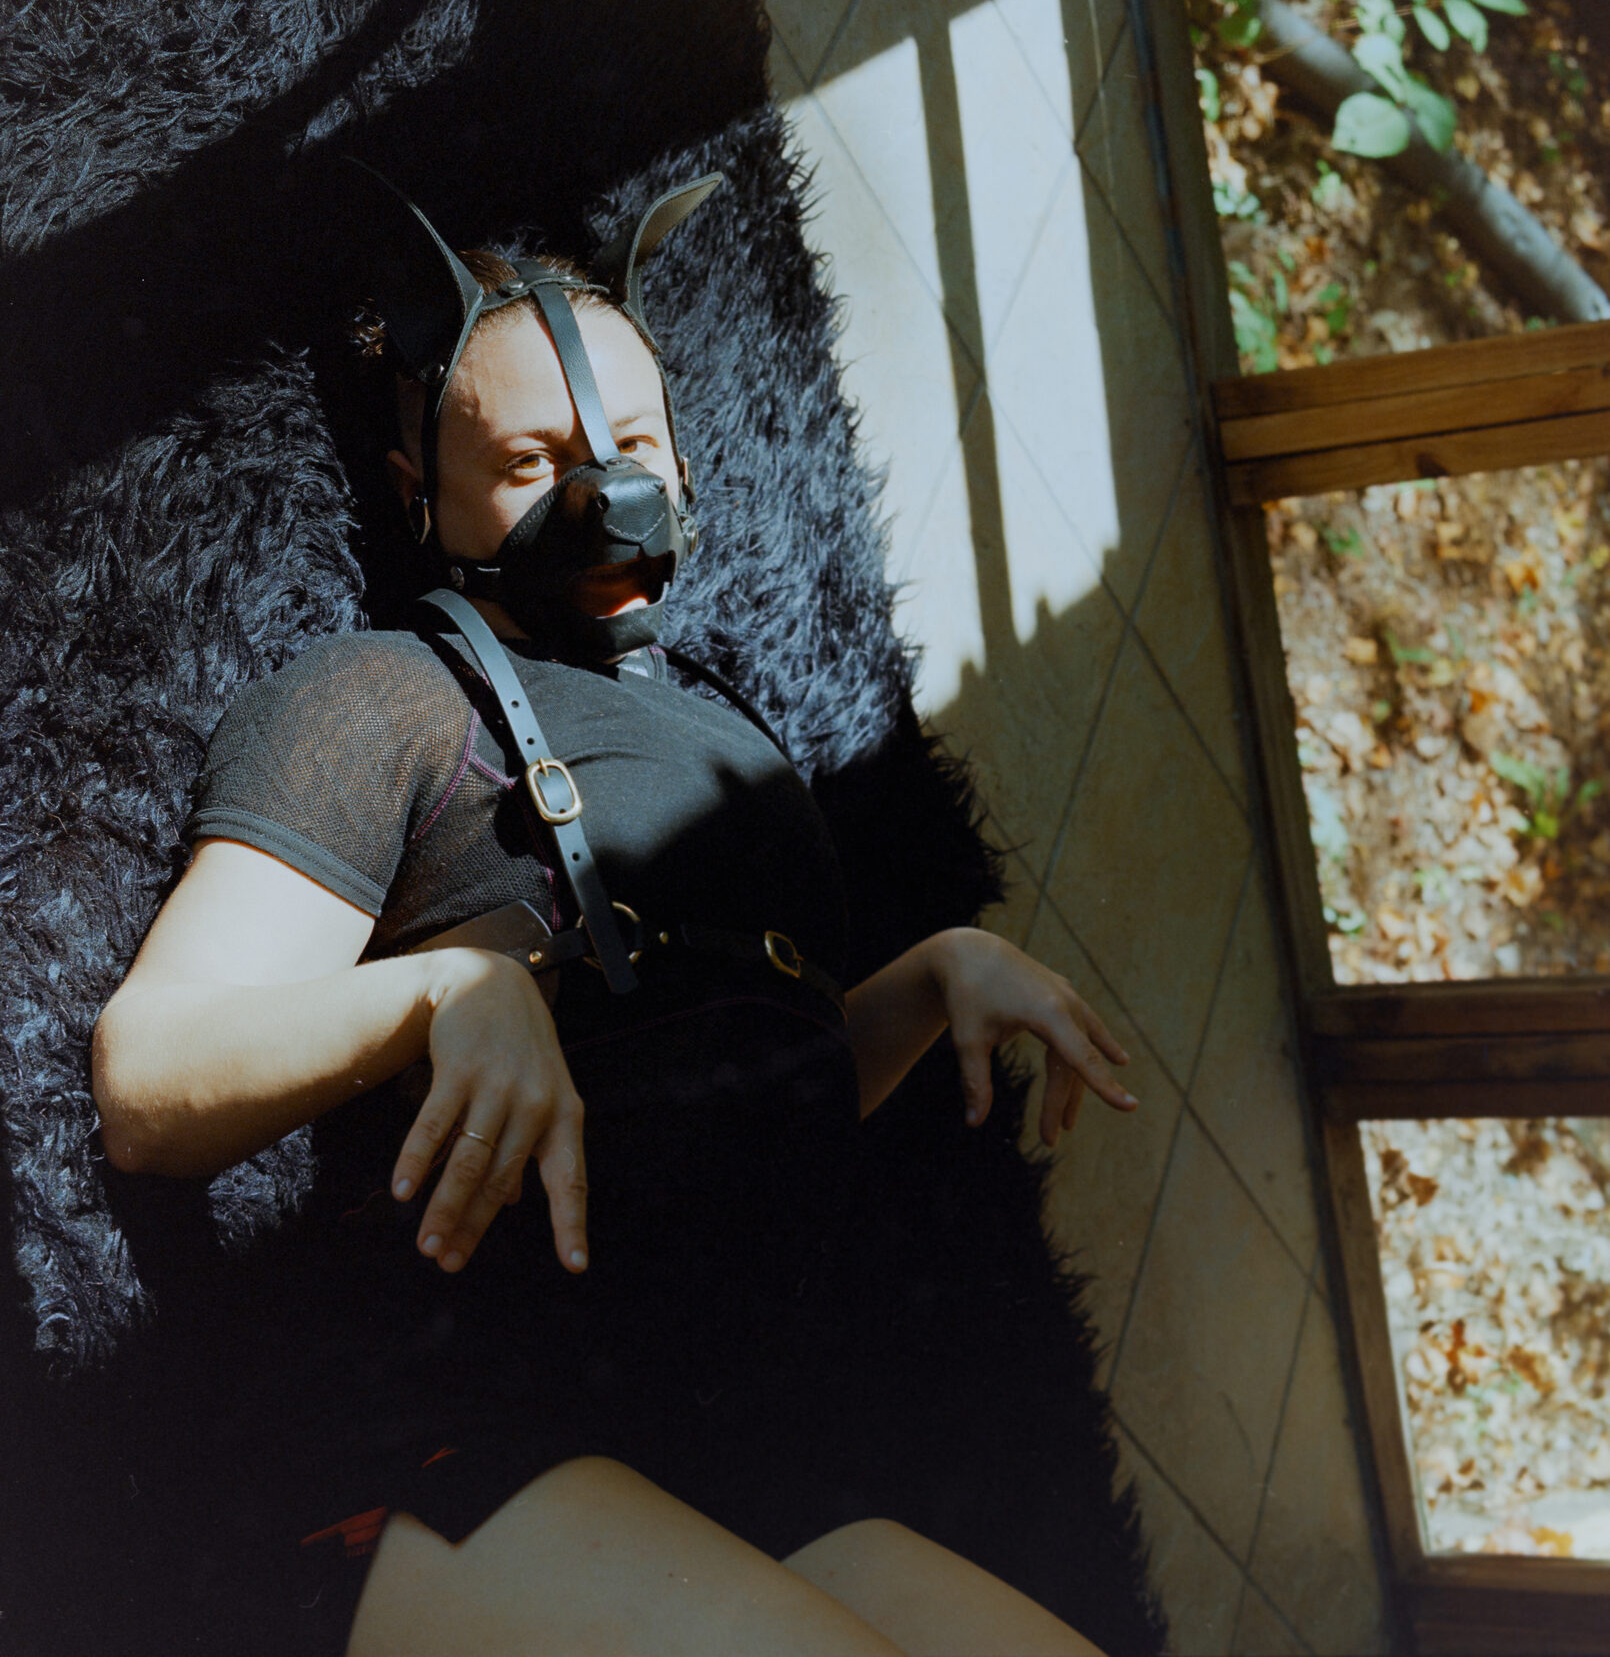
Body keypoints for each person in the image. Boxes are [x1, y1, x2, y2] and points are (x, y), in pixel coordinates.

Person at [90, 174, 1139, 1657]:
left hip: (728, 1454)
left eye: (633, 446)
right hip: (440, 1442)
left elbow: (727, 1095)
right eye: (529, 460)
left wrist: (918, 981)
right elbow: (148, 1084)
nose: (604, 497)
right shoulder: (379, 701)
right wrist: (441, 990)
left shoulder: (737, 744)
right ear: (419, 495)